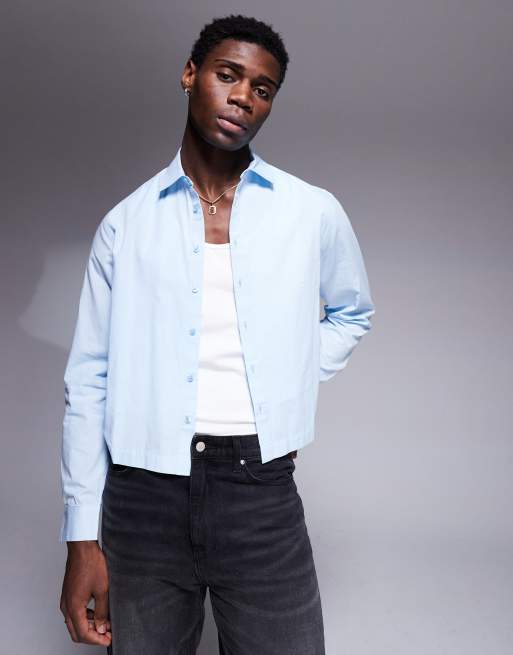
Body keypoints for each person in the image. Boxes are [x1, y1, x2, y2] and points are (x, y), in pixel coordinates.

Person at [58, 13, 375, 655]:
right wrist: (81, 537)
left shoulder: (311, 210)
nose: (243, 98)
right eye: (228, 75)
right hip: (142, 498)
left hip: (260, 492)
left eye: (262, 89)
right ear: (190, 74)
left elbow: (352, 312)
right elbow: (89, 379)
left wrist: (287, 377)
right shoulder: (126, 225)